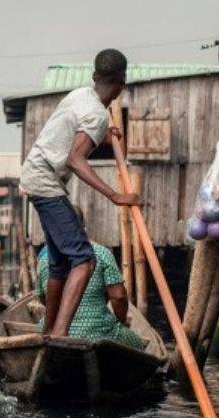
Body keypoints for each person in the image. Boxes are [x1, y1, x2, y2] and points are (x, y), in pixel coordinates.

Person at [20, 48, 140, 338]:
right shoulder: (97, 116)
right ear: (121, 83)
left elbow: (80, 124)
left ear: (94, 76)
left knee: (60, 263)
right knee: (85, 259)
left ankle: (47, 332)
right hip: (47, 180)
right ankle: (60, 334)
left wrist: (109, 128)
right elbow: (76, 158)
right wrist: (115, 195)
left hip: (35, 173)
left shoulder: (80, 94)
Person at [36, 208, 147, 350]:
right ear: (82, 226)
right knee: (140, 345)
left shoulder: (45, 258)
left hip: (51, 333)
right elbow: (118, 296)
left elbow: (43, 299)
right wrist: (120, 321)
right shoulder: (101, 253)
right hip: (97, 331)